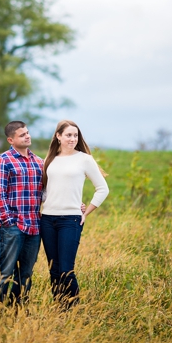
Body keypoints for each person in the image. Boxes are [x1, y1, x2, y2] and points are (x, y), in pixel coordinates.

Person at [40, 120, 109, 309]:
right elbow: (46, 191)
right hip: (47, 220)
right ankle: (59, 309)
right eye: (68, 135)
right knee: (53, 270)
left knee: (66, 270)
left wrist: (86, 212)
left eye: (75, 135)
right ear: (58, 136)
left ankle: (73, 310)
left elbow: (102, 189)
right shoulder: (49, 160)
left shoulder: (84, 159)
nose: (72, 139)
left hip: (70, 220)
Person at [0, 121, 44, 307]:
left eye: (27, 132)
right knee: (5, 272)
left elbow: (48, 193)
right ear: (11, 140)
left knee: (26, 274)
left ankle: (17, 311)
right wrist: (8, 222)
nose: (27, 136)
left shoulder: (39, 162)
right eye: (22, 135)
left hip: (35, 228)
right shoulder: (3, 161)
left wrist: (76, 204)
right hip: (12, 227)